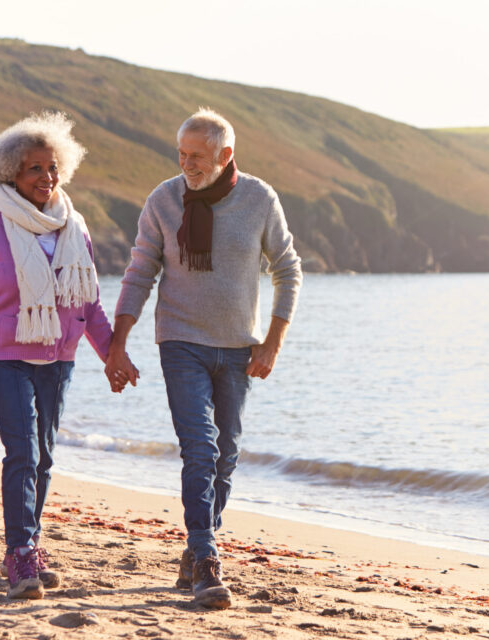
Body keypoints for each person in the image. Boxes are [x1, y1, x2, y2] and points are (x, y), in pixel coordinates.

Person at [106, 108, 302, 609]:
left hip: (239, 347)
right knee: (201, 447)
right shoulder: (164, 200)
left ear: (225, 155)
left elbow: (287, 268)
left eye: (197, 156)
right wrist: (118, 341)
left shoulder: (259, 198)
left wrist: (273, 342)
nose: (186, 164)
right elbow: (139, 271)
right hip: (181, 342)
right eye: (182, 154)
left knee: (227, 456)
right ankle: (208, 559)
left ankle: (196, 548)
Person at [0, 111, 114, 600]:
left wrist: (113, 355)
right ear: (11, 172)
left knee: (45, 457)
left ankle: (30, 543)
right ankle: (20, 553)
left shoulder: (74, 226)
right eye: (35, 168)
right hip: (3, 356)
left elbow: (89, 301)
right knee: (23, 452)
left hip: (59, 357)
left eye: (52, 167)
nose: (46, 177)